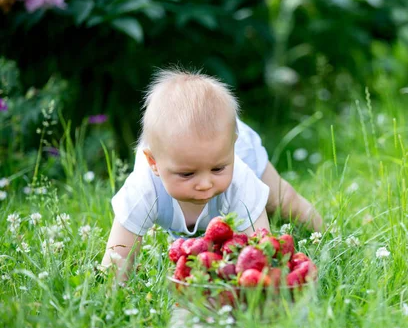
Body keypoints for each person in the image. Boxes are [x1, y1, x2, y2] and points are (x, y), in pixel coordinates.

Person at [101, 68, 322, 275]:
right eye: (187, 174)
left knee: (281, 200)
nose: (205, 183)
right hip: (207, 151)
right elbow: (118, 257)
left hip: (233, 150)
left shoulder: (239, 178)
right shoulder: (144, 188)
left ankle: (323, 232)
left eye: (217, 169)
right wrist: (114, 294)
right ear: (154, 163)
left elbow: (258, 252)